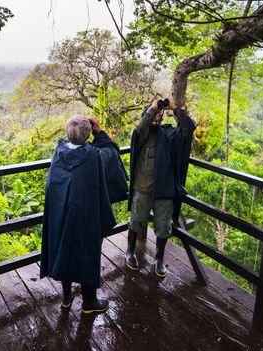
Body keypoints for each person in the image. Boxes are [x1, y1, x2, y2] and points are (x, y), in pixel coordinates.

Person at [40, 114, 125, 314]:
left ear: (68, 133)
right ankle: (89, 302)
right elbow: (113, 152)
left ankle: (66, 296)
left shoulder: (58, 153)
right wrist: (100, 131)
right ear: (87, 135)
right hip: (86, 215)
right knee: (89, 252)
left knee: (65, 247)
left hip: (62, 212)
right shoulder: (93, 156)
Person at [126, 98, 196, 277]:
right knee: (136, 220)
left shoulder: (170, 134)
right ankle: (130, 251)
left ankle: (158, 258)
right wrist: (151, 109)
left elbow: (188, 127)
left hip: (164, 190)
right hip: (143, 187)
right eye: (154, 113)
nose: (157, 115)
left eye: (159, 113)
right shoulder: (143, 133)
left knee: (163, 226)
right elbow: (139, 129)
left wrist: (174, 108)